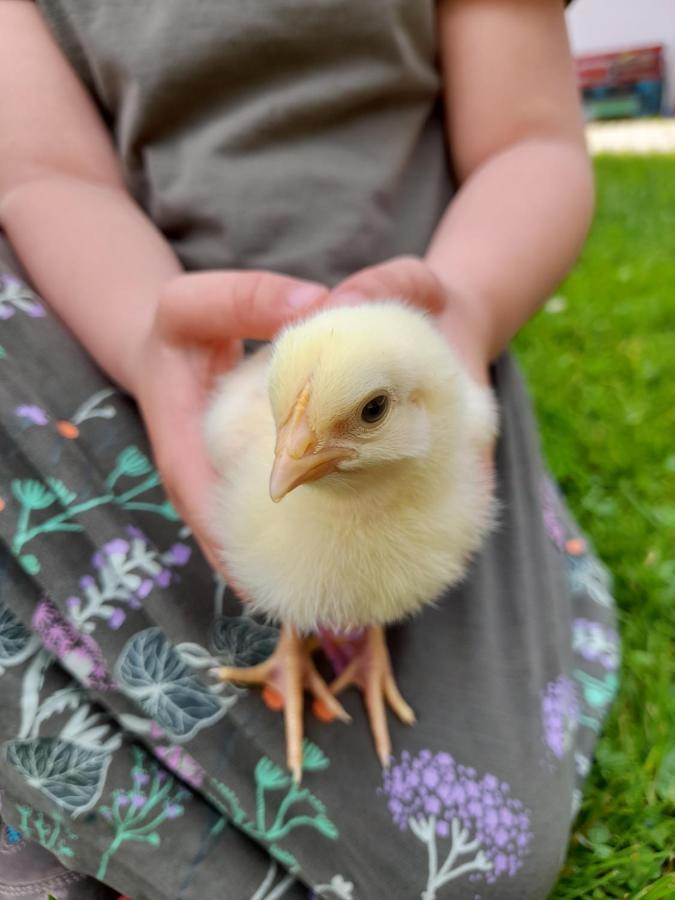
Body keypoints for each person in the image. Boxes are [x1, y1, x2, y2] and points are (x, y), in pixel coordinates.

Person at [0, 1, 620, 898]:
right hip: (123, 318)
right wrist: (144, 334)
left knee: (460, 854)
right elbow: (42, 174)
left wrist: (467, 309)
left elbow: (532, 143)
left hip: (428, 339)